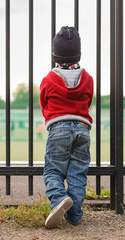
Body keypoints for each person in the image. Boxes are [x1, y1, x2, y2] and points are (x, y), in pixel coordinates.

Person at [40, 26, 93, 228]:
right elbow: (88, 102)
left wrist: (52, 118)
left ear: (55, 55)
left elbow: (44, 103)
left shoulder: (49, 79)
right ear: (78, 54)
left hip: (58, 129)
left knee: (53, 170)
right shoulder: (87, 78)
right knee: (77, 174)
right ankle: (74, 216)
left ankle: (58, 198)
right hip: (82, 128)